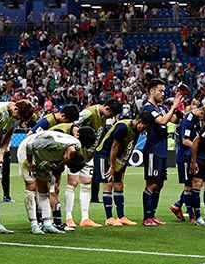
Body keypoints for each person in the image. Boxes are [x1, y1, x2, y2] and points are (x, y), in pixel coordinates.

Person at [0, 100, 34, 234]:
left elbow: (9, 134)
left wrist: (1, 153)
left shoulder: (16, 116)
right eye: (18, 117)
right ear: (15, 109)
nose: (17, 120)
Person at [19, 130, 89, 234]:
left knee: (44, 189)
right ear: (68, 156)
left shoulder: (76, 147)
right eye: (66, 162)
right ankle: (34, 224)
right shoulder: (53, 143)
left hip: (44, 157)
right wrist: (30, 163)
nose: (64, 163)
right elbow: (29, 146)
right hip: (28, 150)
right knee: (31, 186)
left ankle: (47, 223)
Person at [68, 99, 122, 227]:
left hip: (89, 155)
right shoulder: (88, 113)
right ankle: (68, 217)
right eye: (112, 114)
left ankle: (85, 218)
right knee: (72, 183)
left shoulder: (103, 116)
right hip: (76, 153)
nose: (111, 117)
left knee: (86, 184)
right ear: (107, 108)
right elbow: (71, 125)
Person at [28, 104, 80, 230]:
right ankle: (39, 220)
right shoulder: (46, 122)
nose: (68, 124)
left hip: (56, 159)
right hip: (40, 158)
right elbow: (30, 136)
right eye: (67, 121)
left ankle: (56, 222)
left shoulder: (67, 128)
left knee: (55, 189)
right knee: (39, 189)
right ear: (62, 116)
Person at [96, 112, 154, 226]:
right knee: (108, 183)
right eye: (144, 127)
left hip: (118, 157)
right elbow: (114, 147)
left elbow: (129, 148)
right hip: (105, 154)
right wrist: (112, 166)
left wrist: (122, 167)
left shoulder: (136, 131)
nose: (143, 131)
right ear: (139, 121)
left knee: (119, 185)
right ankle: (109, 218)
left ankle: (121, 217)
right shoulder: (123, 127)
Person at [141, 79, 183, 226]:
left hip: (163, 150)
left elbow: (173, 120)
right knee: (151, 184)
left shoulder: (161, 107)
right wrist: (174, 106)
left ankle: (153, 215)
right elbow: (163, 121)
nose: (163, 93)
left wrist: (178, 111)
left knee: (159, 184)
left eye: (164, 91)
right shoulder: (148, 108)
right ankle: (147, 217)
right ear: (152, 91)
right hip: (153, 150)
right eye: (160, 90)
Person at [169, 105, 205, 223]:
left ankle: (179, 206)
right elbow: (185, 140)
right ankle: (191, 215)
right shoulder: (189, 120)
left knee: (193, 184)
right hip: (185, 156)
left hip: (190, 155)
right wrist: (198, 148)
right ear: (201, 112)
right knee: (189, 186)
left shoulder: (194, 119)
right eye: (203, 117)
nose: (202, 120)